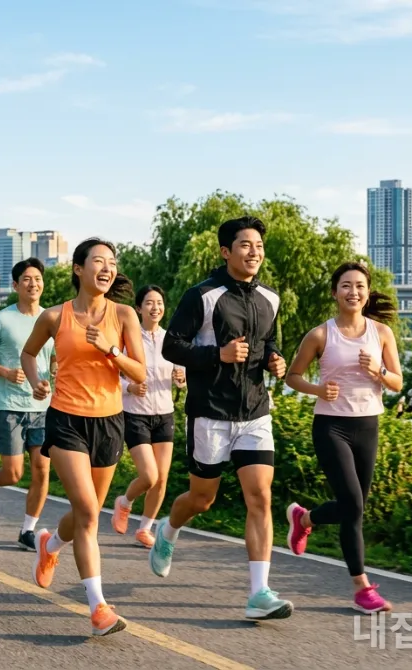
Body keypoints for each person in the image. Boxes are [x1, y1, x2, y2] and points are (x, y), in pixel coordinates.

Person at [150, 217, 293, 622]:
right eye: (245, 245)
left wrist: (274, 360)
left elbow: (268, 345)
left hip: (254, 412)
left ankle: (258, 593)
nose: (254, 252)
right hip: (210, 413)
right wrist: (219, 355)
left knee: (260, 497)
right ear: (225, 252)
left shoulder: (271, 298)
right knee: (202, 499)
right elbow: (171, 347)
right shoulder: (203, 296)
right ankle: (169, 529)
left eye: (259, 246)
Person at [22, 238, 146, 636]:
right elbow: (29, 354)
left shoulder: (125, 315)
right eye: (98, 261)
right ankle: (98, 608)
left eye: (112, 262)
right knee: (90, 514)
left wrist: (111, 349)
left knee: (84, 511)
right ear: (78, 269)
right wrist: (37, 381)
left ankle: (50, 546)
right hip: (66, 421)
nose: (107, 268)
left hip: (109, 422)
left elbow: (140, 374)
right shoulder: (55, 317)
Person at [284, 261, 403, 614]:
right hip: (331, 426)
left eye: (360, 286)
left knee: (356, 508)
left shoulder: (381, 333)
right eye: (346, 286)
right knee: (352, 504)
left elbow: (397, 381)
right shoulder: (321, 335)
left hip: (368, 426)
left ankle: (304, 520)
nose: (354, 292)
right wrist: (318, 389)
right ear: (335, 292)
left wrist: (378, 371)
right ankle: (362, 588)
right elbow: (292, 376)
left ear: (368, 293)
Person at [0, 258, 55, 551]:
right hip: (8, 404)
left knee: (42, 470)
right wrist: (6, 372)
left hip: (43, 406)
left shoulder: (52, 319)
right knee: (14, 473)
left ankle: (27, 530)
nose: (33, 284)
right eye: (27, 279)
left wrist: (52, 376)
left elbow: (56, 358)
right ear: (15, 285)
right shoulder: (1, 320)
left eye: (37, 279)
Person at [112, 284, 186, 549]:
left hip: (164, 414)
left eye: (159, 303)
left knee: (162, 478)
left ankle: (144, 528)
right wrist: (128, 387)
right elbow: (110, 376)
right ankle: (125, 502)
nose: (156, 308)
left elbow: (181, 375)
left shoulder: (170, 339)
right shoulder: (128, 340)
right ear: (138, 309)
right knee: (149, 476)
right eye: (150, 303)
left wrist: (181, 377)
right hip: (135, 414)